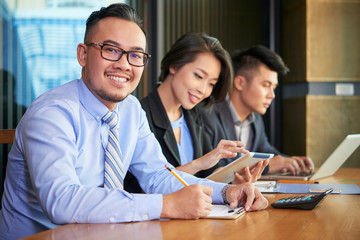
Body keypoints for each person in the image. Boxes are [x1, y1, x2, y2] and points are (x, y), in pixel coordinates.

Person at [0, 4, 268, 239]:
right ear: (83, 54)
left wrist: (226, 193)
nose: (124, 64)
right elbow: (60, 201)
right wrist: (166, 205)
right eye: (111, 50)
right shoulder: (52, 113)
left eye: (135, 55)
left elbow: (158, 175)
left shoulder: (130, 110)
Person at [124, 33, 268, 193]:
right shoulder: (137, 116)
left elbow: (208, 174)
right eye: (198, 76)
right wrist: (199, 163)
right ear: (174, 65)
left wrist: (234, 181)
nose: (203, 90)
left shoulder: (194, 116)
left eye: (211, 84)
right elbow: (140, 188)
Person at [201, 45, 314, 176]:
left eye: (274, 87)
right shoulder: (207, 115)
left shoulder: (255, 119)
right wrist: (267, 166)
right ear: (240, 83)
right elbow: (210, 173)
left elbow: (267, 151)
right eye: (266, 85)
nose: (272, 95)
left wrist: (291, 162)